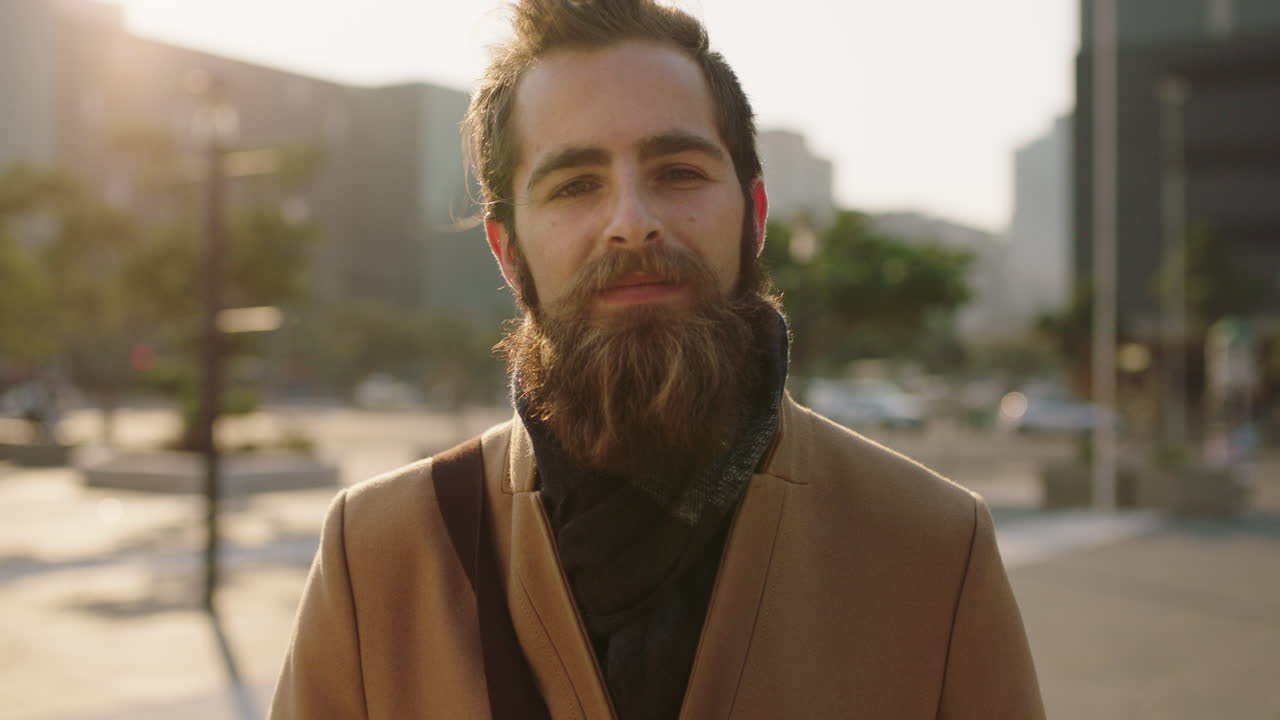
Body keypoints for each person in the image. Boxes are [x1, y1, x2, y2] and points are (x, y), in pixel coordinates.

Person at [268, 1, 1045, 717]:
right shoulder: (378, 558)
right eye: (575, 185)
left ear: (756, 217)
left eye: (678, 172)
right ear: (510, 255)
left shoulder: (932, 549)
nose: (631, 224)